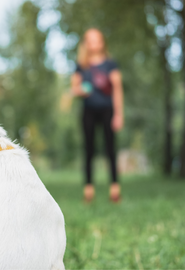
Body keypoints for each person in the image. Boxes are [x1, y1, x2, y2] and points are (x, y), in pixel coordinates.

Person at [70, 28, 124, 203]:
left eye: (98, 40)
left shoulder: (110, 64)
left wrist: (118, 114)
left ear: (102, 43)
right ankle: (88, 190)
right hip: (89, 111)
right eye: (91, 40)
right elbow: (74, 88)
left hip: (107, 110)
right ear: (86, 44)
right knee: (89, 150)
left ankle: (115, 189)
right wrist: (80, 91)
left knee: (110, 149)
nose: (95, 44)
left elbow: (117, 90)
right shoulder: (81, 65)